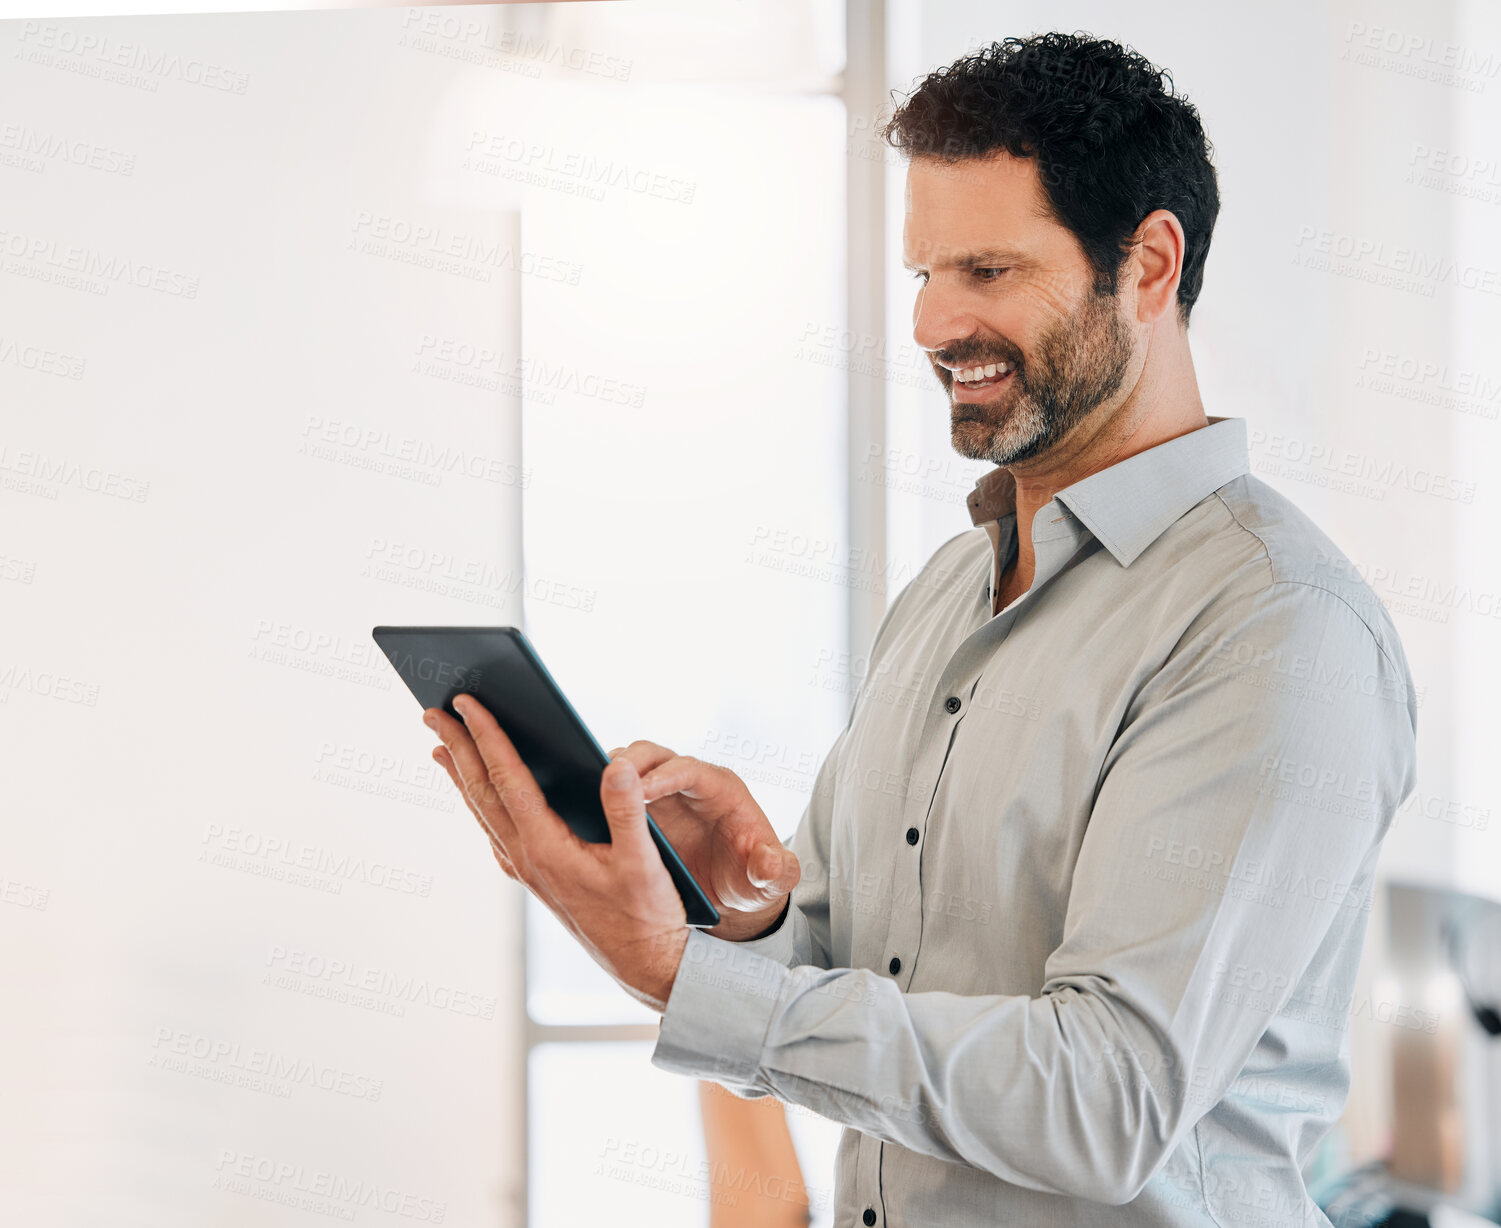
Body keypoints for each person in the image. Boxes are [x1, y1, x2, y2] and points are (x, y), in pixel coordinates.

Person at [424, 31, 1418, 1227]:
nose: (933, 323)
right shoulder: (953, 587)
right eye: (922, 275)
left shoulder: (1274, 629)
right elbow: (868, 984)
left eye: (987, 271)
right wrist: (742, 913)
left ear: (1147, 267)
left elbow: (1103, 1100)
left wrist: (684, 980)